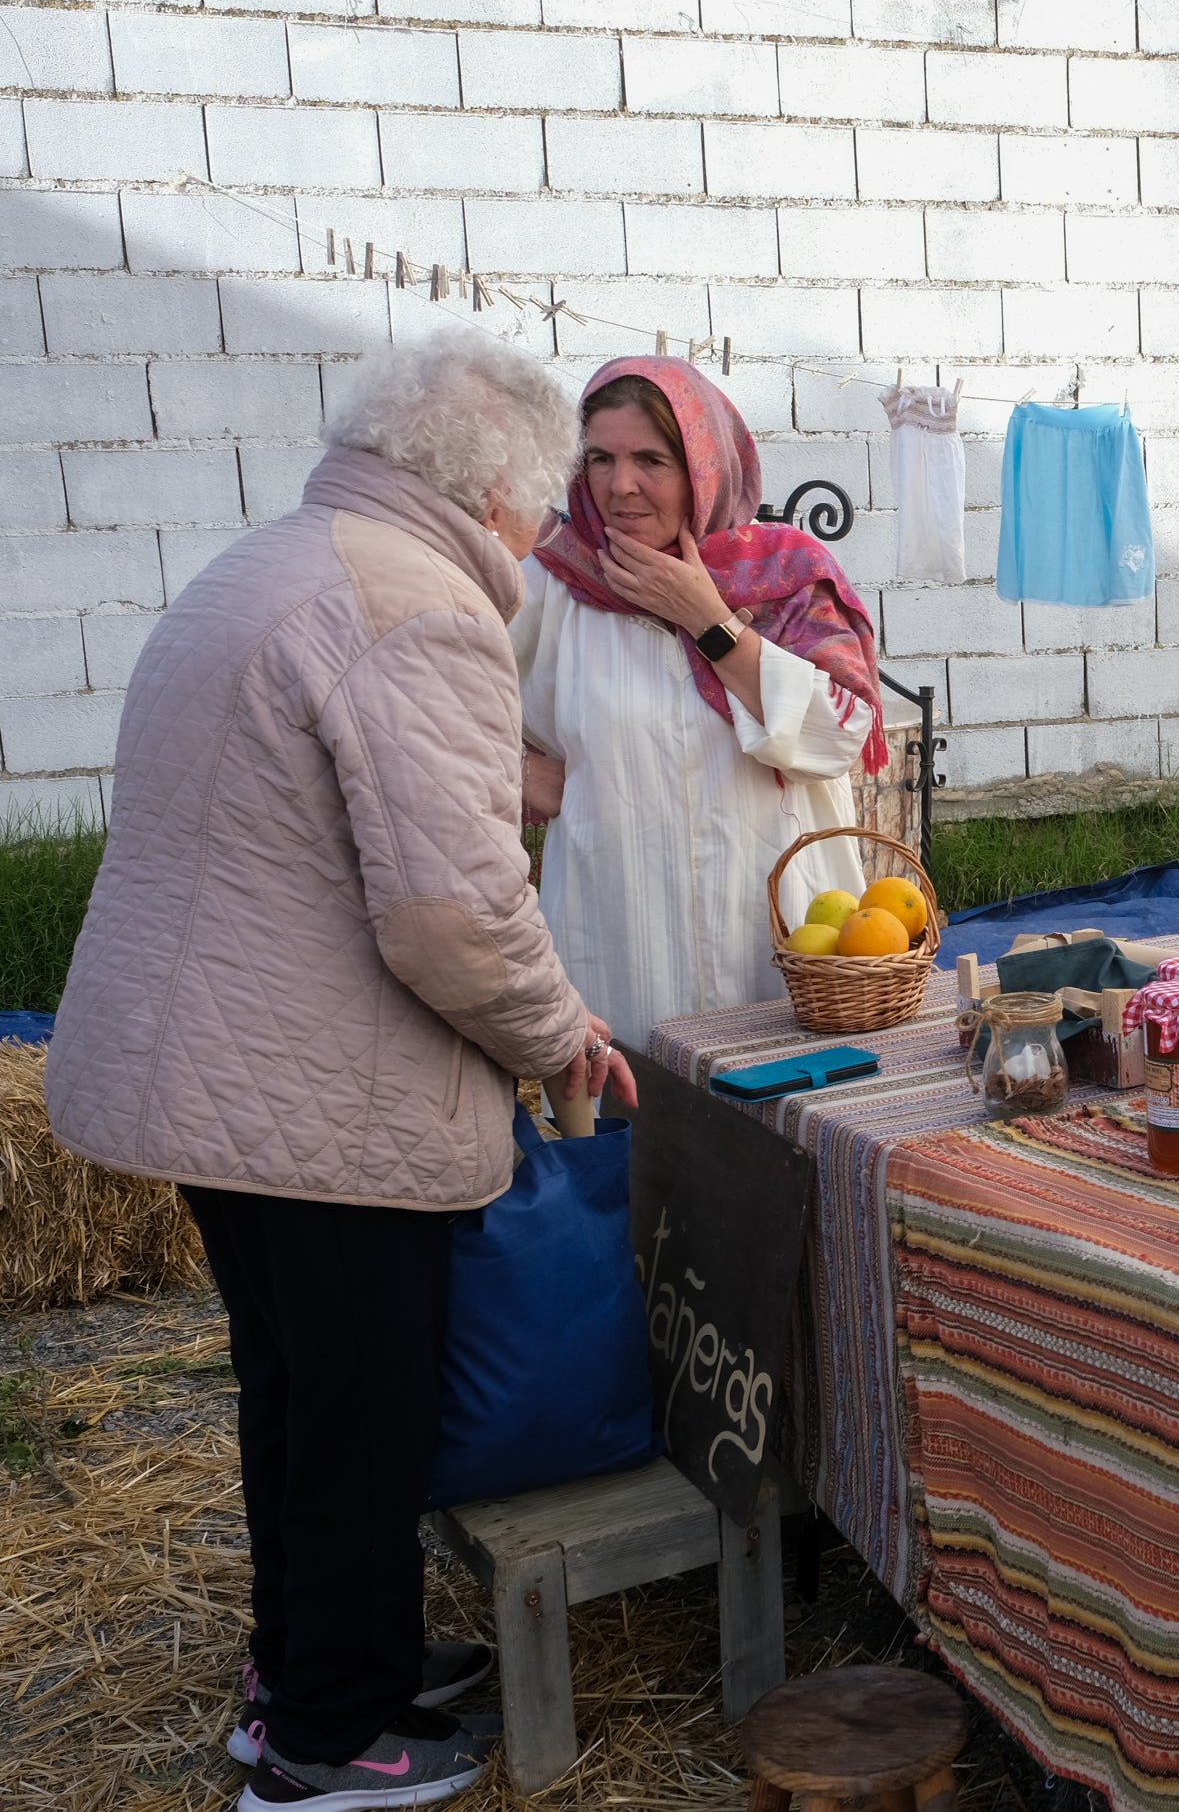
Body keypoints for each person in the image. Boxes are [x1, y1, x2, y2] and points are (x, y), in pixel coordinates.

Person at [47, 329, 637, 1811]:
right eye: (550, 495)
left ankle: (317, 1667)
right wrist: (562, 1031)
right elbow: (451, 910)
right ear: (498, 486)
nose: (548, 525)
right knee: (358, 1412)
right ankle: (330, 1741)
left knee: (300, 1398)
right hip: (314, 1097)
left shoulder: (284, 557)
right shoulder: (414, 606)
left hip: (223, 1076)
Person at [513, 356, 887, 1055]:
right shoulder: (551, 585)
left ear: (702, 467)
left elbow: (838, 736)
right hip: (620, 933)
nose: (620, 485)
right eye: (600, 458)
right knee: (644, 1142)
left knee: (786, 1127)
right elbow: (428, 709)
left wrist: (707, 618)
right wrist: (510, 774)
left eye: (650, 459)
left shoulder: (783, 578)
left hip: (778, 929)